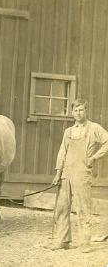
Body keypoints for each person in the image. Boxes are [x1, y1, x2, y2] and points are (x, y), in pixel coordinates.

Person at [49, 99, 108, 253]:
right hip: (66, 173)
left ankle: (85, 243)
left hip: (82, 174)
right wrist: (58, 172)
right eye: (75, 110)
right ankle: (63, 241)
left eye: (81, 110)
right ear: (72, 112)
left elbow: (107, 142)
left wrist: (94, 157)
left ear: (86, 110)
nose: (78, 113)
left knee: (83, 208)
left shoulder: (94, 128)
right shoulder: (68, 131)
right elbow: (62, 152)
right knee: (62, 208)